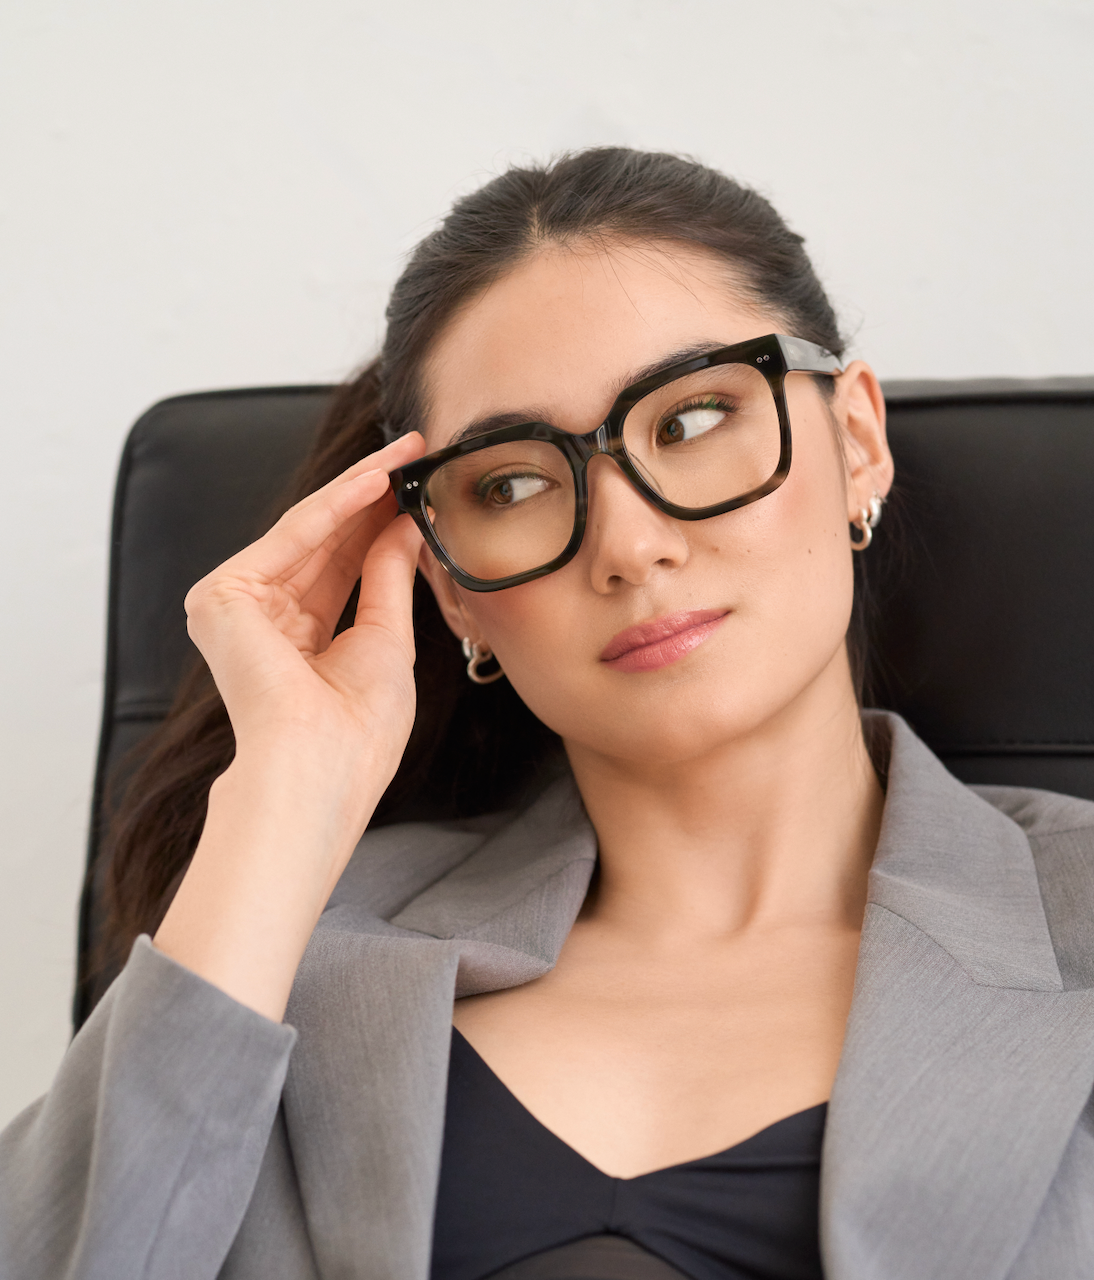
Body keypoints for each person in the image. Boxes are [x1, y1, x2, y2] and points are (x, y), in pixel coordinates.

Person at [3, 148, 1094, 1280]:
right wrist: (282, 799)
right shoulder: (296, 953)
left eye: (692, 416)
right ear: (449, 582)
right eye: (513, 484)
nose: (628, 545)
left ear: (854, 438)